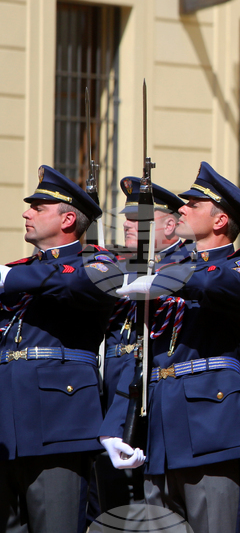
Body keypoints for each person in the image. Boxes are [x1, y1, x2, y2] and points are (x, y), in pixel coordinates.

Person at [100, 161, 240, 532]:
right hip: (159, 429)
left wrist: (166, 275)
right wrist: (115, 426)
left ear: (220, 220)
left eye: (194, 204)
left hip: (213, 426)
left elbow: (218, 285)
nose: (183, 209)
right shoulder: (165, 272)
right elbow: (139, 357)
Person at [0, 165, 122, 532]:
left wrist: (10, 278)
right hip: (6, 422)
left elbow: (78, 285)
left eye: (38, 207)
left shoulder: (98, 263)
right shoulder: (19, 269)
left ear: (68, 218)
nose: (26, 213)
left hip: (58, 421)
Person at [94, 177, 190, 513]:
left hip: (155, 407)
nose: (128, 224)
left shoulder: (185, 267)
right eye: (127, 217)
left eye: (139, 219)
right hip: (112, 406)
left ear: (169, 224)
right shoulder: (120, 267)